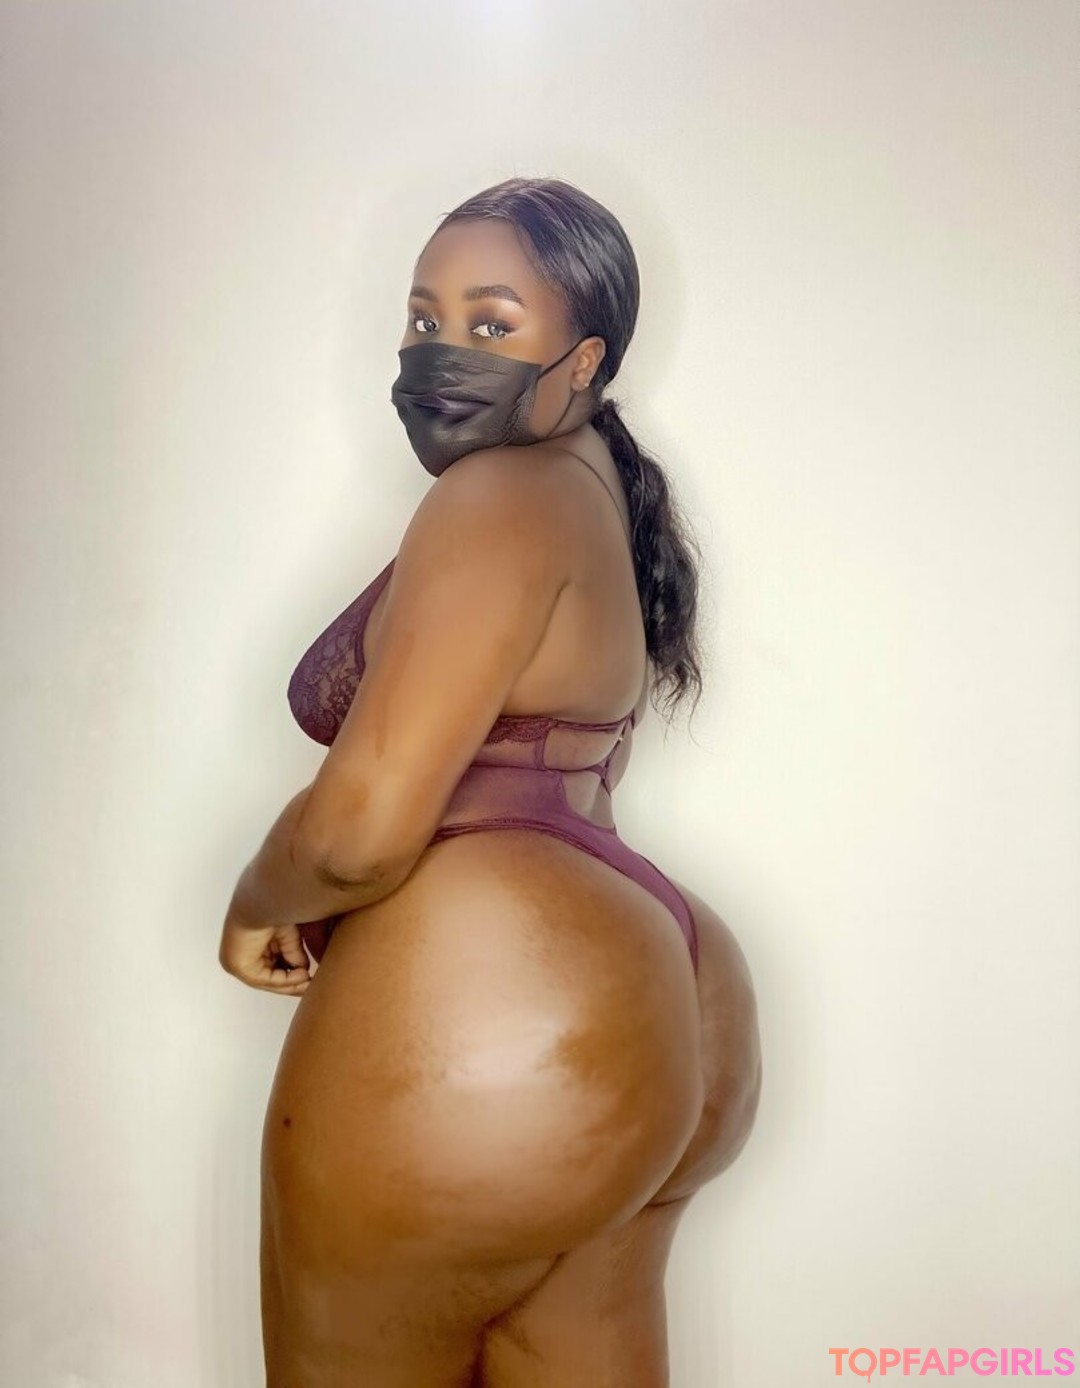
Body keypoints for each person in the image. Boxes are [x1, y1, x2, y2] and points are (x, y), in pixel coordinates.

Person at [218, 175, 763, 1387]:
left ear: (585, 359)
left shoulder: (498, 494)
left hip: (493, 1015)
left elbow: (360, 830)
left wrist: (258, 896)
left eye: (490, 321)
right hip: (661, 1005)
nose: (441, 350)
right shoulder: (592, 485)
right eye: (425, 318)